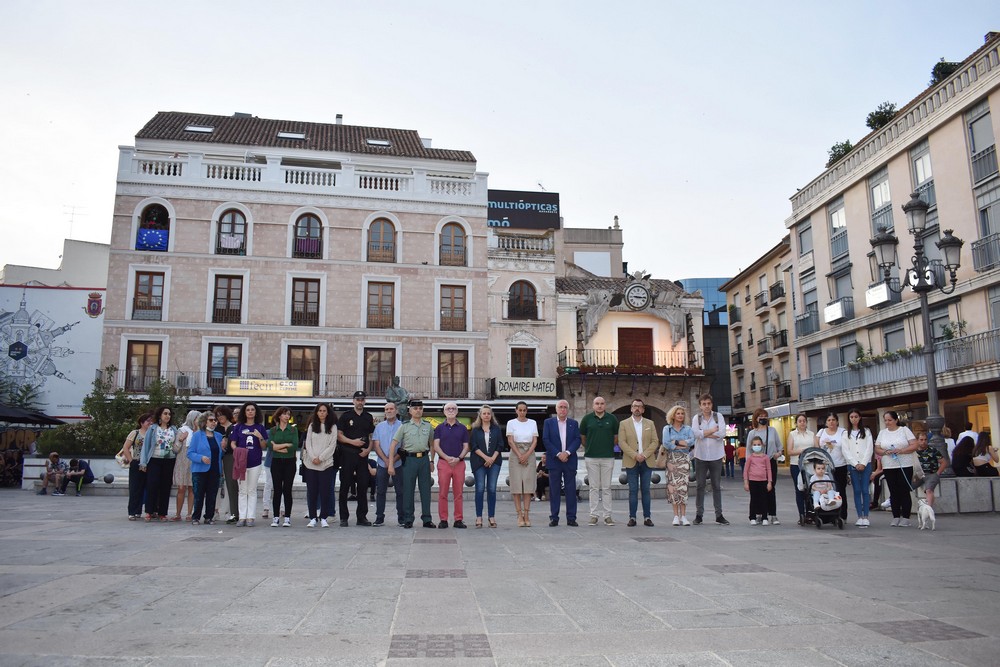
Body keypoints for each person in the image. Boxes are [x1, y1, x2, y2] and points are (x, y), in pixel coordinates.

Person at [390, 399, 435, 529]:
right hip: (409, 460)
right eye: (415, 408)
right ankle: (408, 519)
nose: (418, 410)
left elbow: (432, 444)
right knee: (408, 490)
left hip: (424, 460)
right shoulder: (404, 426)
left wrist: (432, 460)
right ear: (410, 411)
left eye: (420, 408)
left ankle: (427, 519)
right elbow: (394, 444)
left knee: (425, 490)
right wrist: (391, 464)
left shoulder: (428, 426)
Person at [618, 398, 658, 527]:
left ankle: (647, 517)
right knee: (633, 490)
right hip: (631, 461)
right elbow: (622, 442)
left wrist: (645, 455)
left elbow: (655, 441)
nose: (637, 408)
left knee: (646, 490)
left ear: (643, 409)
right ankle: (632, 517)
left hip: (647, 461)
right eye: (635, 406)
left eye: (640, 406)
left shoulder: (650, 423)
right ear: (631, 408)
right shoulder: (624, 424)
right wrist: (635, 455)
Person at [874, 410, 918, 527]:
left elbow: (914, 445)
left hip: (904, 464)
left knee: (904, 490)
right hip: (889, 465)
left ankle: (906, 517)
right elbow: (877, 448)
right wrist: (885, 451)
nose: (887, 422)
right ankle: (896, 516)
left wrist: (902, 450)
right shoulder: (882, 433)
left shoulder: (904, 430)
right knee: (893, 490)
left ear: (896, 420)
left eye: (890, 420)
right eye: (886, 420)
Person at [337, 391, 374, 527]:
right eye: (357, 399)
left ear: (365, 401)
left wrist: (368, 450)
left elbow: (371, 437)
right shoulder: (346, 416)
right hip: (347, 455)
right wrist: (353, 442)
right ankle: (343, 517)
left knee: (363, 487)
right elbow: (339, 435)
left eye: (362, 399)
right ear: (353, 401)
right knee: (344, 487)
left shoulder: (368, 417)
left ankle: (361, 517)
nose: (360, 402)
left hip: (363, 456)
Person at [579, 396, 618, 526]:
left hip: (608, 457)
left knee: (607, 487)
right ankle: (593, 515)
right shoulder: (587, 419)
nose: (599, 406)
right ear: (593, 405)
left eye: (602, 403)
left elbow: (615, 438)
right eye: (597, 403)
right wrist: (591, 447)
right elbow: (583, 438)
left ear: (605, 405)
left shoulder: (612, 419)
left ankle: (607, 515)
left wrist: (607, 448)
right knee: (593, 487)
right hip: (591, 457)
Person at [691, 394, 729, 525]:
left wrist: (705, 433)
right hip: (700, 455)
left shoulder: (719, 417)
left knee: (716, 486)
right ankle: (699, 515)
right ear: (700, 405)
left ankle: (719, 514)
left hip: (716, 455)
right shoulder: (697, 418)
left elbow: (722, 434)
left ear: (712, 404)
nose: (706, 406)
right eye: (704, 404)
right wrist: (712, 431)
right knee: (700, 485)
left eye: (709, 403)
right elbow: (695, 434)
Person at [542, 399, 581, 527]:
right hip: (554, 461)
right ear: (556, 409)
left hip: (569, 460)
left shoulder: (574, 424)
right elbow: (546, 440)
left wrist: (567, 453)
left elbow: (577, 440)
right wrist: (559, 454)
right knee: (554, 490)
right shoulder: (548, 423)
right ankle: (554, 517)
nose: (563, 409)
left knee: (571, 490)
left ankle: (571, 518)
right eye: (560, 407)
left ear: (567, 410)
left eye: (565, 407)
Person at [433, 402, 470, 529]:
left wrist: (459, 458)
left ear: (457, 411)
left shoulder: (463, 428)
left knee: (458, 493)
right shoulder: (439, 428)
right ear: (444, 412)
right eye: (448, 409)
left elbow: (466, 446)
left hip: (459, 463)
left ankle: (458, 519)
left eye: (453, 408)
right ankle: (443, 519)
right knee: (442, 492)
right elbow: (436, 446)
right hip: (444, 463)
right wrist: (447, 457)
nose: (451, 410)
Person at [140, 406, 179, 522]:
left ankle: (162, 513)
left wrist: (181, 440)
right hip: (154, 459)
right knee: (152, 485)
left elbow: (177, 446)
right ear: (160, 415)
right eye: (165, 413)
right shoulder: (153, 429)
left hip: (169, 460)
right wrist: (143, 463)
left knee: (166, 487)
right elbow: (146, 446)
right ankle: (149, 511)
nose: (167, 416)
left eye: (169, 414)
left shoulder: (174, 429)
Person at [232, 401, 268, 527]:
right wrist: (236, 450)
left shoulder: (260, 428)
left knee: (252, 490)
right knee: (242, 490)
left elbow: (264, 446)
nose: (250, 412)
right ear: (244, 412)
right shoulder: (238, 427)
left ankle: (251, 517)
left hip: (255, 463)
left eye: (253, 409)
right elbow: (233, 443)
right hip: (241, 463)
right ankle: (242, 517)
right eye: (248, 410)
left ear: (256, 412)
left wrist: (260, 437)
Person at [745, 408, 783, 525]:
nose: (763, 418)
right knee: (757, 490)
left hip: (770, 461)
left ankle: (772, 514)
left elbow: (779, 447)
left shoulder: (772, 431)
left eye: (765, 416)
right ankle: (759, 513)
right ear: (756, 418)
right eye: (760, 416)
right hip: (756, 463)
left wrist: (778, 454)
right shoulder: (752, 433)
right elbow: (748, 450)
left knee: (770, 488)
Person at [469, 405, 503, 528]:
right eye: (484, 413)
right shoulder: (475, 429)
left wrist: (492, 458)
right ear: (480, 415)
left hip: (495, 462)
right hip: (479, 462)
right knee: (480, 489)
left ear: (491, 415)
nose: (486, 415)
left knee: (492, 489)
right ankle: (479, 517)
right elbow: (473, 446)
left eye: (488, 413)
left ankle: (491, 516)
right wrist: (486, 458)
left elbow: (500, 445)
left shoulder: (496, 429)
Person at [303, 403, 337, 527]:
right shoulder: (312, 426)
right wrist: (313, 457)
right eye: (320, 410)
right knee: (312, 491)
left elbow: (332, 446)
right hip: (311, 464)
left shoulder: (332, 427)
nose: (322, 413)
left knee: (325, 491)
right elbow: (308, 443)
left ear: (327, 413)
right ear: (316, 412)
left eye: (324, 410)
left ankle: (323, 517)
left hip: (326, 464)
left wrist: (321, 458)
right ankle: (313, 517)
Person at [506, 401, 539, 527]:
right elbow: (510, 440)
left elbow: (535, 441)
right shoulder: (511, 423)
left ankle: (527, 514)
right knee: (516, 484)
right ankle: (519, 514)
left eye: (524, 410)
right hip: (515, 453)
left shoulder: (532, 423)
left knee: (528, 483)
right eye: (520, 410)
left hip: (529, 452)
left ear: (527, 410)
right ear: (516, 410)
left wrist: (526, 454)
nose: (522, 412)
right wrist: (520, 455)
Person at [372, 402, 404, 527]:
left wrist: (392, 461)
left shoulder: (403, 426)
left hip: (398, 464)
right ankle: (379, 518)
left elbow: (404, 447)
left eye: (391, 409)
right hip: (382, 464)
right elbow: (376, 445)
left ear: (396, 411)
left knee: (400, 491)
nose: (389, 411)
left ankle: (401, 518)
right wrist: (386, 461)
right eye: (386, 409)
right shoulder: (379, 426)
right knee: (380, 491)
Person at [187, 411, 222, 525]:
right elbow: (190, 453)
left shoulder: (218, 436)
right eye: (211, 420)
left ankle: (209, 516)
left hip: (215, 469)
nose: (213, 422)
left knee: (212, 494)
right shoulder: (197, 435)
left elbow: (220, 453)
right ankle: (195, 517)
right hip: (200, 470)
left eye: (215, 420)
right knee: (199, 494)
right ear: (204, 421)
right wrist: (201, 458)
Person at [662, 404, 694, 526]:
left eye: (682, 413)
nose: (680, 415)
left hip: (684, 459)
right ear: (673, 415)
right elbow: (666, 443)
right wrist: (681, 444)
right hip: (672, 459)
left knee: (683, 487)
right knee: (673, 488)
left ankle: (684, 516)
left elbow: (691, 442)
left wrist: (675, 442)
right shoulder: (667, 429)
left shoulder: (688, 429)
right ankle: (675, 516)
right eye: (678, 413)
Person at [268, 407, 298, 527]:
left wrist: (279, 446)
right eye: (285, 414)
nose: (287, 416)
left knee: (287, 489)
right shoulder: (274, 430)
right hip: (276, 462)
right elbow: (270, 446)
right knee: (277, 490)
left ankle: (287, 517)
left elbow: (294, 445)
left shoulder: (293, 430)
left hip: (289, 462)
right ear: (279, 416)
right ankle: (275, 517)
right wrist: (284, 446)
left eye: (288, 414)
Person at [843, 408, 874, 527]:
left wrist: (863, 463)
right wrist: (855, 463)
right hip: (853, 465)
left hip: (865, 465)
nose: (854, 419)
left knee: (865, 490)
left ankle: (866, 516)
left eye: (856, 416)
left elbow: (869, 448)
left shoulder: (866, 431)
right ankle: (859, 516)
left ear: (860, 418)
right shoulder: (846, 433)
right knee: (857, 490)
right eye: (851, 417)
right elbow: (846, 450)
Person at [816, 412, 848, 522]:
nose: (831, 422)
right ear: (826, 422)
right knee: (827, 490)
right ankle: (828, 515)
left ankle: (842, 515)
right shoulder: (821, 432)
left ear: (837, 421)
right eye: (829, 420)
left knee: (840, 491)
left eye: (833, 420)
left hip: (840, 465)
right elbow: (816, 448)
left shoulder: (843, 432)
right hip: (825, 467)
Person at [123, 412, 153, 519]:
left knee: (146, 487)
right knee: (135, 488)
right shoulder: (135, 433)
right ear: (142, 422)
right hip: (137, 461)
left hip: (149, 463)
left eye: (151, 421)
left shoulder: (152, 433)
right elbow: (126, 447)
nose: (150, 423)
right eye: (148, 421)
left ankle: (140, 510)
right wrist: (131, 460)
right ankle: (132, 511)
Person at [214, 406, 240, 524]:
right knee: (216, 486)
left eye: (222, 414)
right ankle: (215, 511)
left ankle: (233, 512)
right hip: (216, 460)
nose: (219, 417)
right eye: (217, 415)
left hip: (230, 457)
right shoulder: (215, 428)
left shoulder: (234, 427)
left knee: (231, 484)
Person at [172, 410, 198, 522]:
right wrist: (181, 439)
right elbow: (175, 449)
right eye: (197, 418)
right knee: (181, 488)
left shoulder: (200, 432)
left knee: (192, 488)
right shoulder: (182, 430)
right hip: (182, 462)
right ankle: (178, 513)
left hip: (194, 462)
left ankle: (189, 513)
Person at [787, 414, 813, 526]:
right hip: (796, 465)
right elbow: (789, 451)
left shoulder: (812, 434)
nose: (802, 423)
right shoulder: (792, 434)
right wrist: (802, 451)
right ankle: (801, 514)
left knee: (810, 489)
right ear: (796, 423)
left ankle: (810, 514)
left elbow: (816, 448)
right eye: (800, 421)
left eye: (804, 421)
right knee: (799, 490)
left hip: (810, 465)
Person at [743, 435, 773, 525]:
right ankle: (752, 517)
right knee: (754, 499)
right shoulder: (750, 458)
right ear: (751, 446)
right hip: (753, 481)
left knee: (764, 499)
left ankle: (764, 517)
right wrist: (746, 482)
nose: (757, 446)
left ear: (762, 445)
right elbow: (746, 470)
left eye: (758, 444)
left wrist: (769, 482)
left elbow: (769, 470)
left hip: (763, 481)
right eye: (755, 445)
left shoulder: (766, 457)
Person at [915, 431, 948, 506]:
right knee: (905, 487)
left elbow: (943, 462)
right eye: (921, 440)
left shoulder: (933, 450)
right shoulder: (914, 451)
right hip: (918, 474)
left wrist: (937, 473)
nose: (923, 442)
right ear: (917, 440)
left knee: (929, 490)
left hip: (931, 474)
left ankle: (929, 508)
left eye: (925, 440)